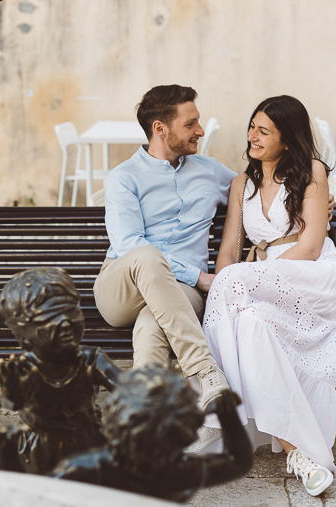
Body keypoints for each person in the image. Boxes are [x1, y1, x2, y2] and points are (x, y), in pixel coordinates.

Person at [201, 95, 336, 497]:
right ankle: (299, 452)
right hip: (264, 281)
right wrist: (228, 281)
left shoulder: (312, 172)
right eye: (251, 126)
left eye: (263, 130)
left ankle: (215, 415)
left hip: (313, 275)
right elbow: (230, 249)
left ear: (287, 139)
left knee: (231, 283)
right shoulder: (241, 184)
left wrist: (238, 279)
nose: (252, 135)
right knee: (248, 323)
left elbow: (309, 245)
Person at [93, 85, 237, 419]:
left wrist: (314, 196)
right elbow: (129, 243)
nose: (200, 131)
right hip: (122, 288)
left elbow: (260, 191)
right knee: (145, 254)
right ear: (160, 128)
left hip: (178, 295)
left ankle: (145, 425)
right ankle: (204, 371)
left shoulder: (210, 170)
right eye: (191, 124)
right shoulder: (124, 178)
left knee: (152, 325)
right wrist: (197, 277)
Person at [0, 365, 253, 503]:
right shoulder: (178, 470)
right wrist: (227, 416)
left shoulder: (95, 467)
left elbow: (25, 496)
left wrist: (7, 454)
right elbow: (237, 462)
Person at [0, 267, 121, 474]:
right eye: (52, 317)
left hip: (87, 440)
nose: (66, 323)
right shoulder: (26, 367)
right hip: (40, 447)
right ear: (23, 333)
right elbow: (13, 402)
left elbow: (125, 387)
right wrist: (12, 391)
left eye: (72, 311)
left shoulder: (91, 359)